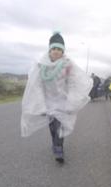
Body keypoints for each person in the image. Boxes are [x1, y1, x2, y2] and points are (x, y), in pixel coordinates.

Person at [21, 32, 92, 163]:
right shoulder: (41, 65)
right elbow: (36, 85)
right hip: (48, 101)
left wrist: (72, 102)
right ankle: (55, 142)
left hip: (62, 101)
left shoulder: (67, 64)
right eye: (54, 48)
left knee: (60, 124)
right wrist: (40, 105)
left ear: (63, 51)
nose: (56, 51)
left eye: (59, 49)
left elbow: (73, 83)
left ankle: (59, 148)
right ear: (49, 49)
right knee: (52, 126)